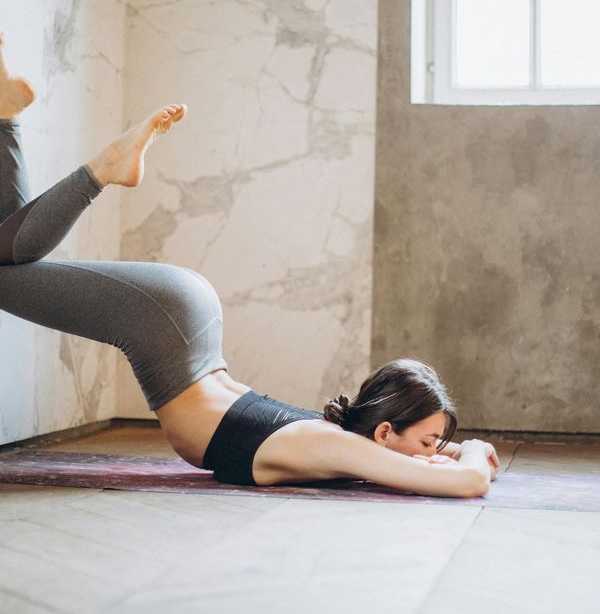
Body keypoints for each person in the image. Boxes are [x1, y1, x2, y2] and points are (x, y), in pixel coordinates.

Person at [0, 31, 499, 498]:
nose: (436, 455)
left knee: (7, 262)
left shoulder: (344, 438)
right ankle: (106, 164)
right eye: (429, 444)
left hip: (183, 322)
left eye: (436, 446)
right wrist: (471, 453)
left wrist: (445, 447)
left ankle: (5, 112)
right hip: (163, 324)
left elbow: (426, 458)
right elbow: (468, 483)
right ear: (385, 432)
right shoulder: (342, 446)